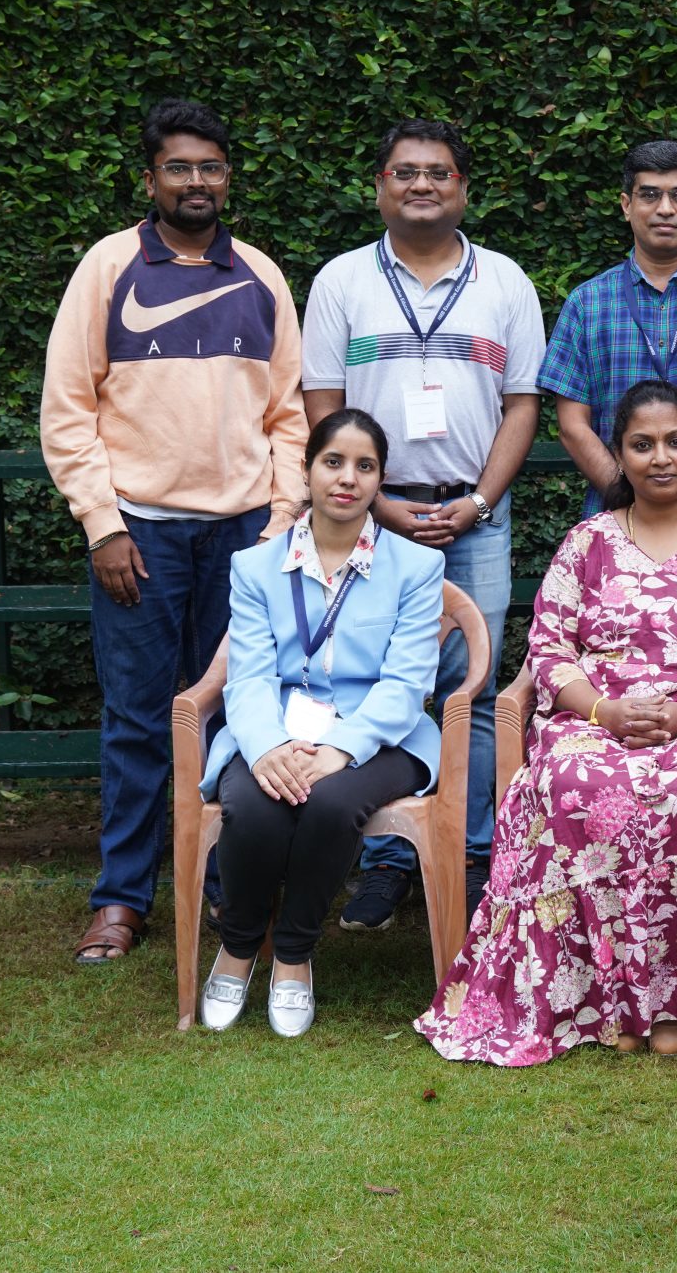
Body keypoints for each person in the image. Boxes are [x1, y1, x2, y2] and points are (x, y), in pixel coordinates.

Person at [416, 380, 677, 1066]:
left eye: (674, 442)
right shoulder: (586, 541)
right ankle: (610, 1000)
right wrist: (602, 710)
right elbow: (549, 647)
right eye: (641, 444)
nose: (660, 458)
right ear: (618, 454)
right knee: (577, 783)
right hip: (596, 718)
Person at [41, 97, 306, 966]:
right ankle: (122, 898)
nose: (198, 182)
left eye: (212, 167)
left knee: (239, 712)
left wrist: (279, 524)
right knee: (137, 719)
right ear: (149, 177)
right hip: (143, 539)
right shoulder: (109, 267)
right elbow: (68, 410)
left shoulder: (261, 275)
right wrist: (102, 525)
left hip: (244, 540)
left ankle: (236, 889)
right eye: (180, 167)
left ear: (229, 178)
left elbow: (289, 416)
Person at [300, 119, 546, 935]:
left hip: (474, 517)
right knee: (374, 685)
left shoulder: (505, 280)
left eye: (438, 173)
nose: (422, 185)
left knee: (469, 693)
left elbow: (523, 406)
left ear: (463, 189)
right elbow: (322, 404)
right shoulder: (342, 280)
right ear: (380, 186)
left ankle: (471, 857)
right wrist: (372, 502)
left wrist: (477, 501)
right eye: (404, 172)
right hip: (368, 513)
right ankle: (387, 865)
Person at [195, 409, 446, 1038]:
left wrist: (341, 746)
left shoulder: (415, 569)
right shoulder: (256, 569)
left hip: (382, 735)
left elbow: (408, 684)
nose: (347, 478)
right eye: (333, 462)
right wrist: (268, 746)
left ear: (380, 480)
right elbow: (247, 676)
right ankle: (238, 945)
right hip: (274, 729)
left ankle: (294, 954)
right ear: (307, 470)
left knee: (332, 803)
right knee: (254, 807)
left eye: (365, 466)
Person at [538, 138, 677, 517]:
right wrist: (629, 497)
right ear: (627, 205)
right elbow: (573, 426)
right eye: (650, 195)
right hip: (614, 522)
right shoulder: (587, 303)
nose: (665, 209)